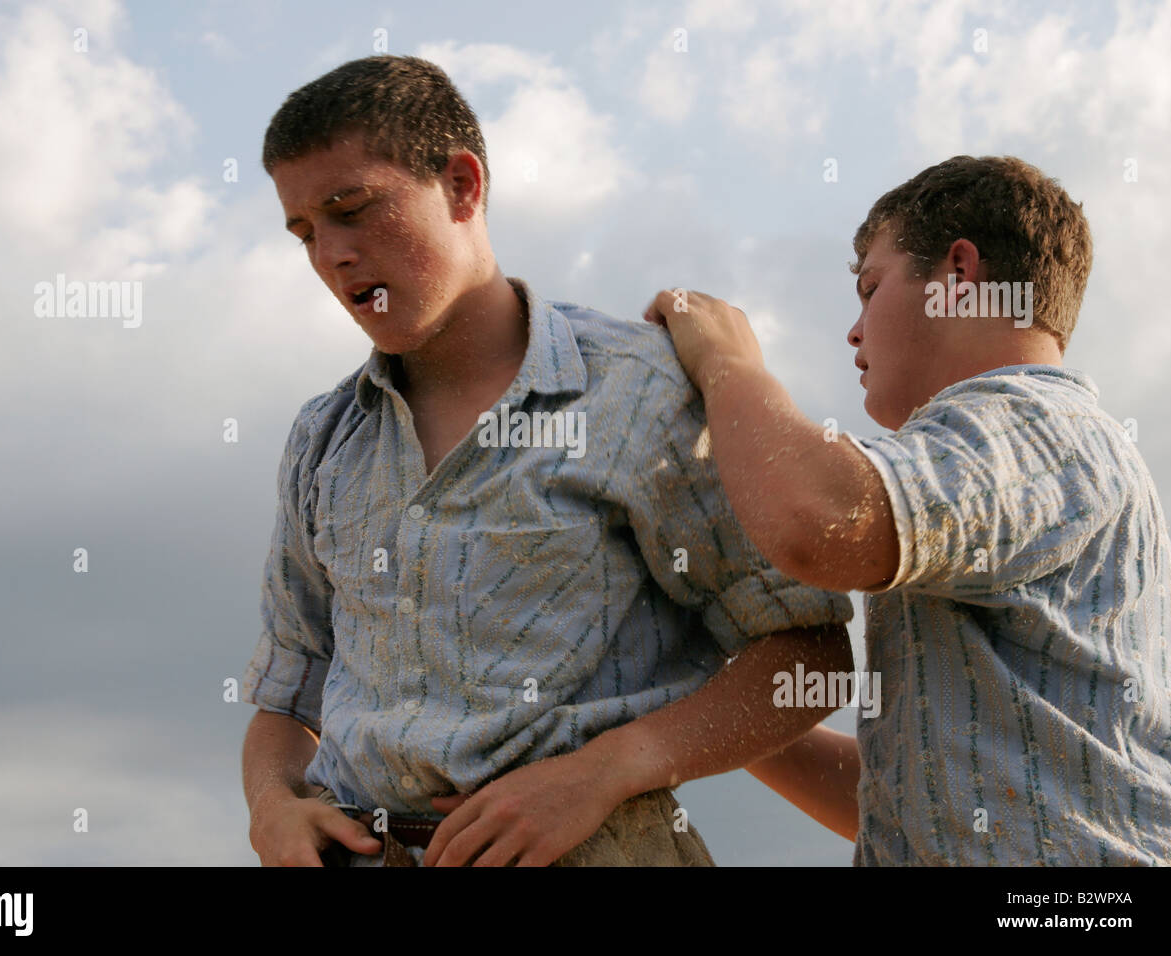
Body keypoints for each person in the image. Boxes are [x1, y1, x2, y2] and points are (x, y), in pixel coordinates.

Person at [240, 55, 855, 867]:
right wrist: (271, 810)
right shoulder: (323, 438)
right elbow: (290, 691)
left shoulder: (640, 390)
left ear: (463, 185)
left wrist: (607, 771)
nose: (330, 254)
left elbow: (808, 659)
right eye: (304, 232)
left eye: (351, 209)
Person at [646, 155, 1171, 865]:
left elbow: (825, 523)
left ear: (958, 276)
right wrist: (699, 706)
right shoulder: (1040, 453)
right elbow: (907, 798)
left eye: (871, 288)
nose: (854, 330)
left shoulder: (1036, 422)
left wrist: (729, 363)